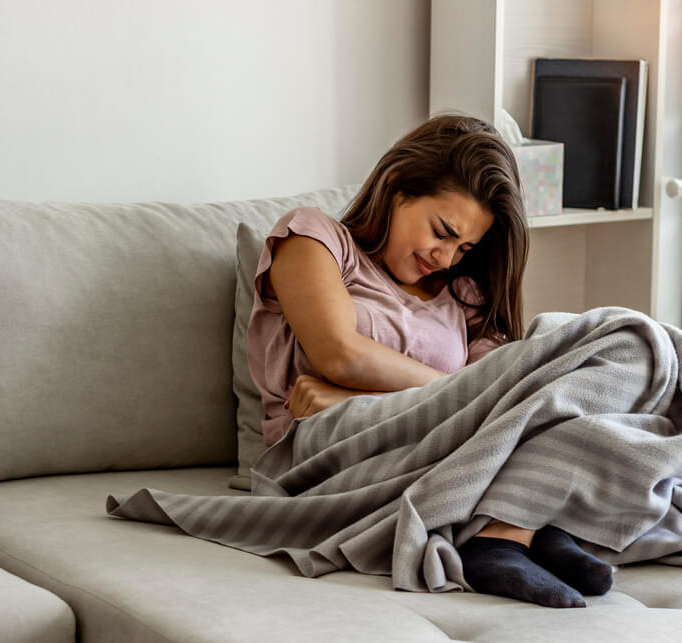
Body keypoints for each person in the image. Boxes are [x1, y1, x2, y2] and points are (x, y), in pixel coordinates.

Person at [245, 113, 614, 608]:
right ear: (398, 187)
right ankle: (512, 529)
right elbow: (339, 353)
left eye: (463, 247)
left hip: (434, 441)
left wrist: (359, 396)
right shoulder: (314, 239)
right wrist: (454, 393)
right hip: (325, 455)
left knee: (609, 352)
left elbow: (511, 394)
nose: (445, 257)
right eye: (442, 231)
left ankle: (516, 530)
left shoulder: (462, 293)